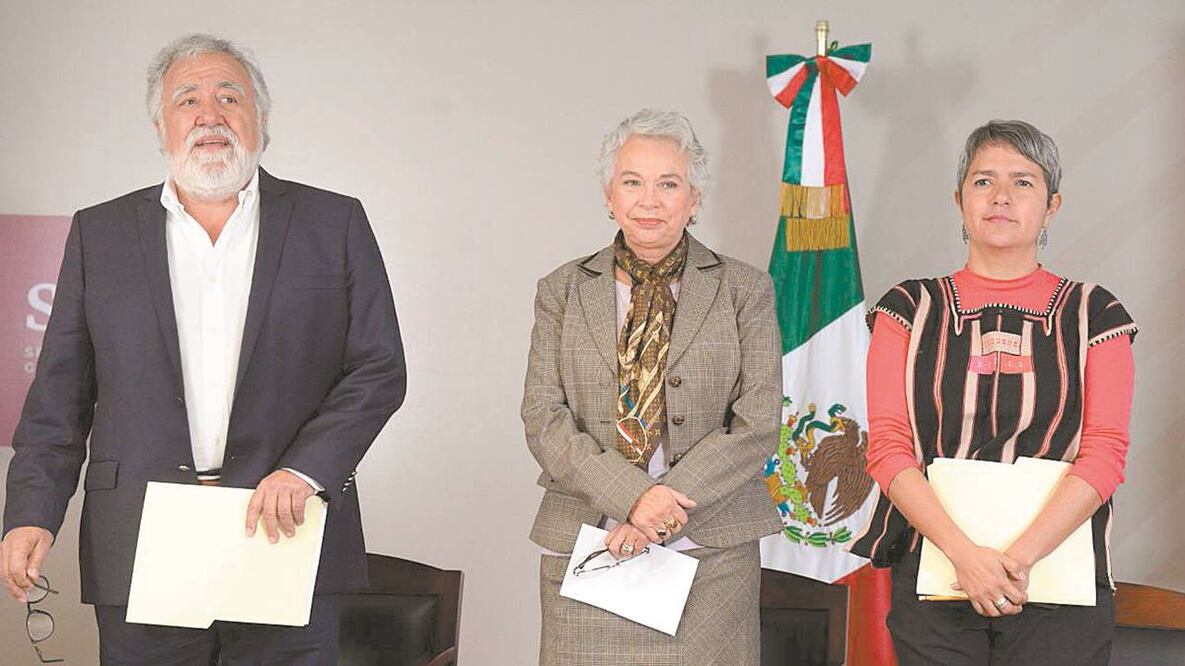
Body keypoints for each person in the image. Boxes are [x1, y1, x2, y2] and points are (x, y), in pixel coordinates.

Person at [0, 33, 406, 665]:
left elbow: (379, 368)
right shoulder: (100, 233)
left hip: (286, 535)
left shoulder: (334, 222)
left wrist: (305, 470)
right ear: (162, 126)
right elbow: (60, 394)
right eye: (187, 100)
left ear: (260, 121)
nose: (209, 115)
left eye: (229, 97)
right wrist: (32, 511)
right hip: (141, 541)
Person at [851, 120, 1136, 665]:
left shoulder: (1095, 313)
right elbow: (888, 447)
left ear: (1052, 205)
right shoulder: (908, 310)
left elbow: (1104, 454)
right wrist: (965, 557)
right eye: (984, 181)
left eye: (1023, 182)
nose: (1001, 197)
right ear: (959, 199)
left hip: (1058, 581)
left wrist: (1016, 561)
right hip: (934, 571)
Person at [521, 108, 783, 664]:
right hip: (590, 544)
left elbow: (758, 422)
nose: (649, 200)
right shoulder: (562, 290)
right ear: (608, 195)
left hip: (711, 551)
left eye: (669, 184)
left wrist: (661, 506)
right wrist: (632, 497)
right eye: (632, 182)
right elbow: (544, 417)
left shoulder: (744, 289)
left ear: (694, 200)